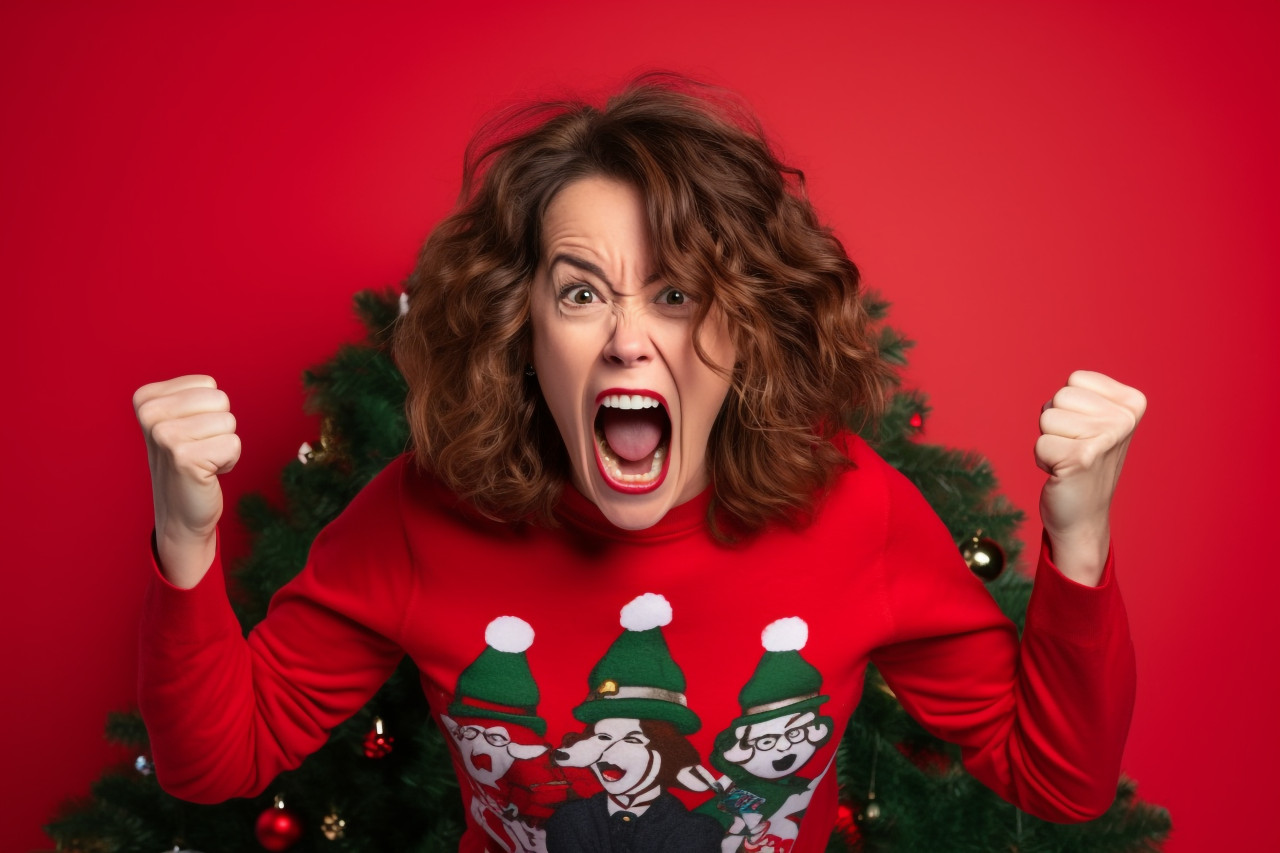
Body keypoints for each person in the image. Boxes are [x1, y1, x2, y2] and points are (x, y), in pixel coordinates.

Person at [132, 74, 1145, 853]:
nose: (627, 341)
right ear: (518, 328)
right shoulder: (424, 513)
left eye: (674, 295)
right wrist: (184, 539)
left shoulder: (852, 511)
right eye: (580, 295)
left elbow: (1059, 780)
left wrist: (1081, 539)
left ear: (742, 329)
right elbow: (218, 759)